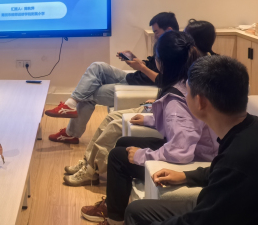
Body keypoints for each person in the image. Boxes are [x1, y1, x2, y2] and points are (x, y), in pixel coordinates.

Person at [78, 31, 219, 225]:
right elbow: (186, 124)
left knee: (118, 158)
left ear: (161, 63)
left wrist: (143, 156)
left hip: (193, 158)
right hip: (195, 149)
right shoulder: (187, 82)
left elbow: (181, 151)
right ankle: (115, 204)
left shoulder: (176, 100)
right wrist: (150, 119)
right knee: (123, 144)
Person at [124, 55, 258, 225]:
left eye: (187, 91)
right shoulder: (251, 127)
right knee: (136, 211)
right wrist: (186, 176)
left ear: (200, 101)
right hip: (222, 215)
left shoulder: (240, 157)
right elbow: (222, 170)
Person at [65, 20, 218, 186]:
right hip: (160, 110)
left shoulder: (189, 81)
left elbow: (181, 141)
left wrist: (142, 154)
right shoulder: (186, 75)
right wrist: (154, 113)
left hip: (192, 156)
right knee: (99, 77)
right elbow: (185, 120)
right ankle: (88, 162)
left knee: (114, 134)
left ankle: (91, 169)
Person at [47, 12, 179, 144]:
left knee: (88, 92)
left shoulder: (175, 51)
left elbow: (165, 81)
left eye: (156, 32)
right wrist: (136, 61)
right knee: (97, 66)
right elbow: (152, 67)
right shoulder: (164, 45)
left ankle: (70, 130)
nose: (155, 36)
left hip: (138, 85)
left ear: (169, 30)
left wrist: (142, 68)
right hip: (133, 78)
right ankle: (70, 104)